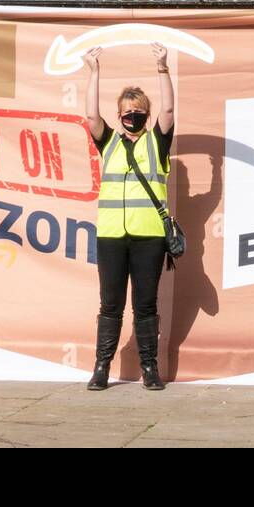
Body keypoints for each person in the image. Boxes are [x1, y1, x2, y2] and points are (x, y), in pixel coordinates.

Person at [82, 42, 176, 391]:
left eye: (137, 110)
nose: (131, 114)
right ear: (119, 114)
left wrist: (163, 69)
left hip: (148, 236)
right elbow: (91, 116)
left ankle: (150, 368)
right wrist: (94, 72)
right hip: (110, 237)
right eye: (126, 110)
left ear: (145, 114)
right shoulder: (108, 142)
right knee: (110, 305)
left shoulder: (157, 142)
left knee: (145, 305)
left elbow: (168, 109)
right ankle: (101, 368)